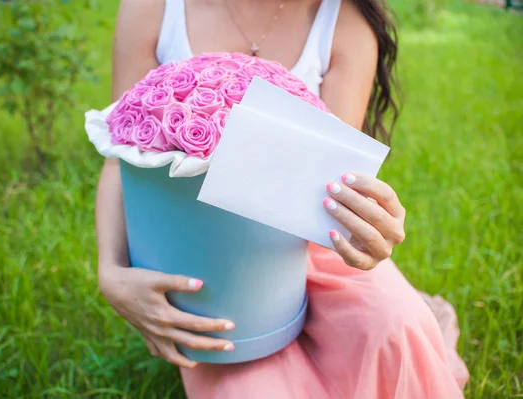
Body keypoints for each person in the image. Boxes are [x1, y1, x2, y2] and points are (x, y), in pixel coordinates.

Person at [95, 0, 470, 397]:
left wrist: (368, 227)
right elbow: (118, 159)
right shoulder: (153, 8)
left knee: (397, 330)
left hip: (307, 249)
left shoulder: (343, 21)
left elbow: (334, 179)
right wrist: (112, 272)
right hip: (204, 265)